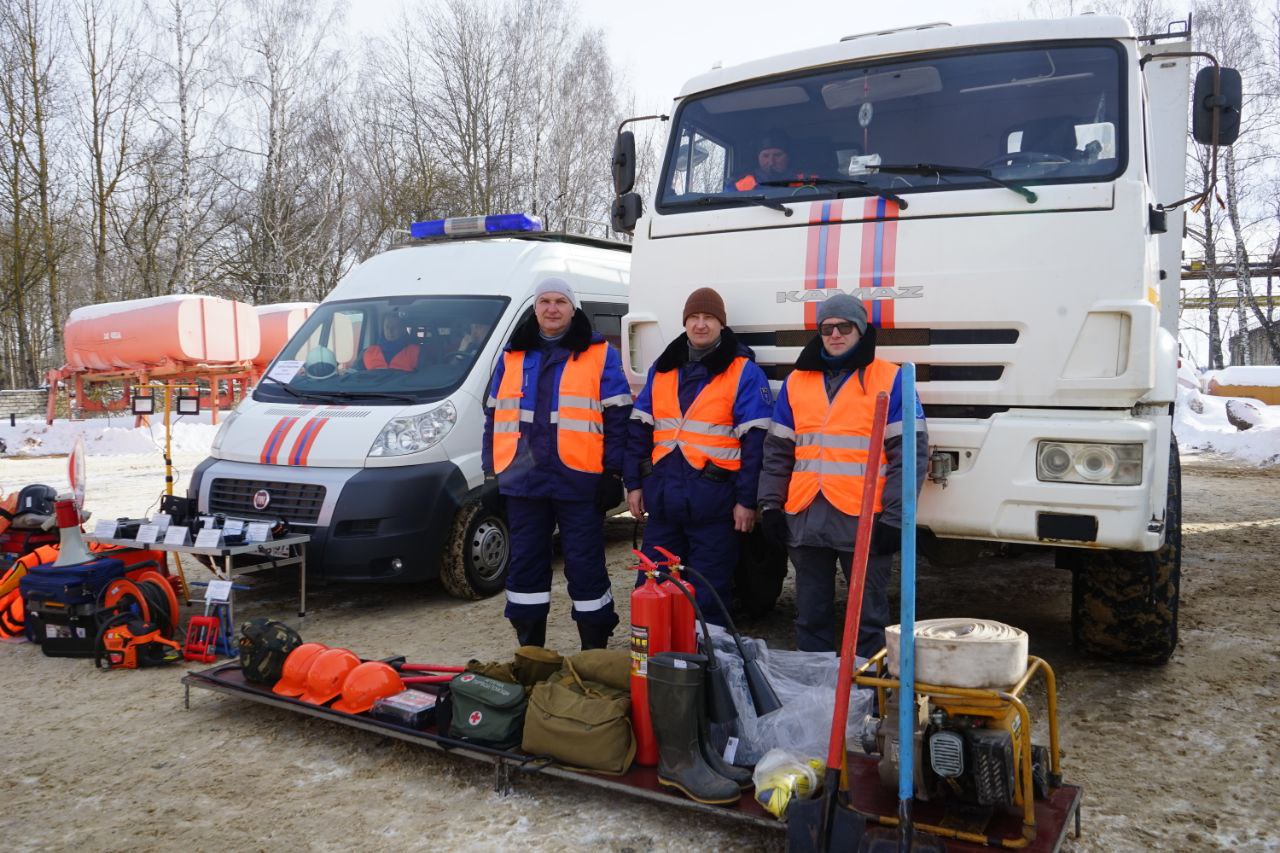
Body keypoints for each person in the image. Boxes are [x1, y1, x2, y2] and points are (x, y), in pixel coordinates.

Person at [757, 292, 928, 658]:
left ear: (861, 329)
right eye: (827, 328)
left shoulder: (892, 379)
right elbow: (777, 452)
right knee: (811, 616)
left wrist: (897, 518)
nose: (835, 335)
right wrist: (769, 506)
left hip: (865, 522)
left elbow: (910, 454)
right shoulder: (797, 382)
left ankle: (868, 697)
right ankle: (815, 690)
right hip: (806, 518)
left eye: (844, 327)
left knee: (869, 619)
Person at [482, 277, 632, 650]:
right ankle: (531, 651)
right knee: (526, 567)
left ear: (573, 308)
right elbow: (492, 417)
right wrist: (492, 473)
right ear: (535, 308)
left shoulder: (600, 354)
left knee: (585, 567)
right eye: (545, 301)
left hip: (578, 479)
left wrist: (613, 473)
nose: (552, 308)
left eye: (560, 301)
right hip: (523, 481)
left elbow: (618, 420)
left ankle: (592, 651)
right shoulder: (513, 355)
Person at [624, 287, 773, 626]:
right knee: (652, 591)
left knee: (708, 597)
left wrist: (747, 502)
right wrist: (633, 484)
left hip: (715, 507)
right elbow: (638, 432)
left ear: (722, 324)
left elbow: (756, 445)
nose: (701, 325)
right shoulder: (662, 369)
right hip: (663, 506)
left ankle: (705, 668)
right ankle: (658, 668)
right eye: (694, 318)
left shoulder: (744, 372)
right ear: (685, 322)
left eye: (709, 318)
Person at [732, 131, 808, 192]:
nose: (771, 162)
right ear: (757, 158)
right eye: (765, 156)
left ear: (788, 157)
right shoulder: (741, 182)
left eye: (777, 155)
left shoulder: (805, 179)